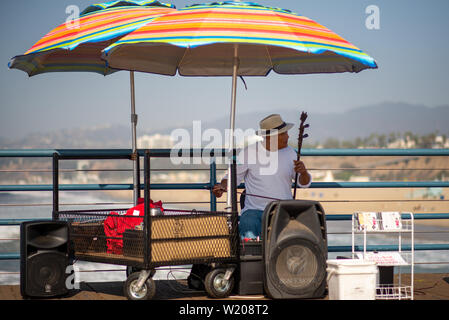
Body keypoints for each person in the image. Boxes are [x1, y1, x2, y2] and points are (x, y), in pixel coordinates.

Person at [212, 114, 312, 239]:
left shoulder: (291, 153)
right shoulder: (249, 152)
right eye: (283, 134)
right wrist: (222, 186)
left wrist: (303, 173)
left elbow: (303, 183)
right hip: (254, 210)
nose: (287, 136)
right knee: (248, 225)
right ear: (270, 137)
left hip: (283, 210)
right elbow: (233, 177)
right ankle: (251, 256)